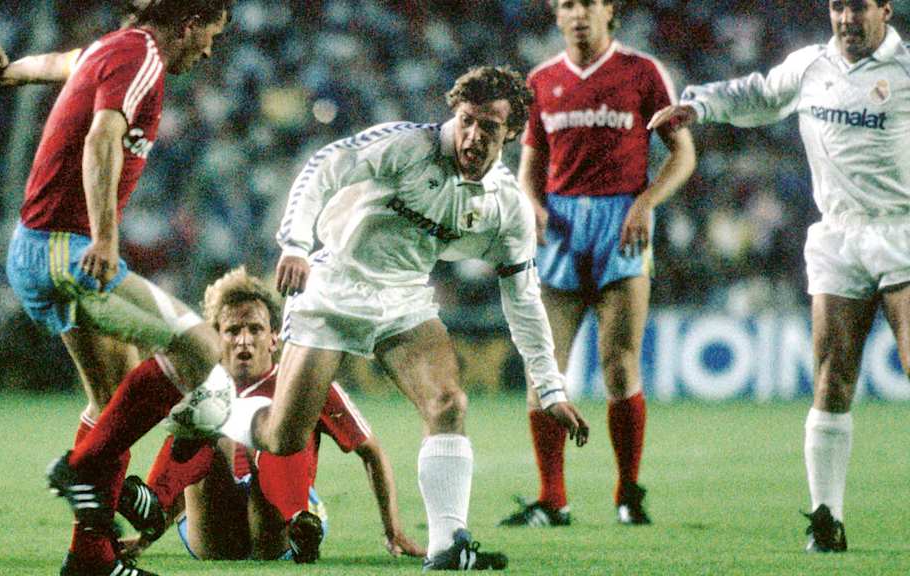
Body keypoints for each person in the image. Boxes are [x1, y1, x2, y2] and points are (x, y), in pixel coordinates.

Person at [214, 65, 591, 571]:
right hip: (333, 285)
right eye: (466, 121)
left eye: (490, 127)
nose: (473, 136)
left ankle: (447, 545)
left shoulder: (507, 207)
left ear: (512, 133)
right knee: (284, 438)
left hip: (404, 299)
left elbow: (523, 297)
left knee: (448, 402)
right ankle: (213, 411)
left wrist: (550, 389)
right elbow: (326, 166)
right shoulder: (409, 146)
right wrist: (296, 245)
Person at [0, 3, 241, 575]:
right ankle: (80, 468)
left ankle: (90, 559)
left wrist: (8, 70)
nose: (210, 51)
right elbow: (100, 141)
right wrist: (107, 239)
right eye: (210, 36)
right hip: (65, 249)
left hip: (36, 247)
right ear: (189, 24)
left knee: (109, 400)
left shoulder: (111, 48)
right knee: (198, 347)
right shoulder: (144, 54)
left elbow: (64, 62)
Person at [649, 0, 910, 553]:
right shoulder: (811, 65)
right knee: (831, 377)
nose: (846, 18)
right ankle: (826, 517)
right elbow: (759, 94)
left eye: (858, 7)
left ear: (884, 10)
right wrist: (698, 106)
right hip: (838, 235)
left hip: (902, 230)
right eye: (838, 6)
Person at [498, 0, 696, 529]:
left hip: (621, 223)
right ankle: (552, 499)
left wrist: (646, 203)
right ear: (556, 15)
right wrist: (532, 205)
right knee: (544, 370)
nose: (578, 13)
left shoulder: (642, 71)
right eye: (567, 4)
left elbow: (683, 152)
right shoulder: (541, 79)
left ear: (610, 11)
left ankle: (629, 492)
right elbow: (529, 166)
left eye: (588, 3)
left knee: (618, 365)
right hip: (559, 228)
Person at [115, 267, 424, 562]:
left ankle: (300, 526)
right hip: (216, 531)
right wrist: (144, 542)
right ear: (215, 337)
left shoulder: (304, 383)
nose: (244, 339)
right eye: (233, 330)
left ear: (274, 338)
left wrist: (393, 530)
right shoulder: (202, 387)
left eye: (255, 329)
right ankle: (151, 506)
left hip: (276, 522)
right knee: (198, 429)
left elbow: (370, 451)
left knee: (278, 431)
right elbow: (191, 473)